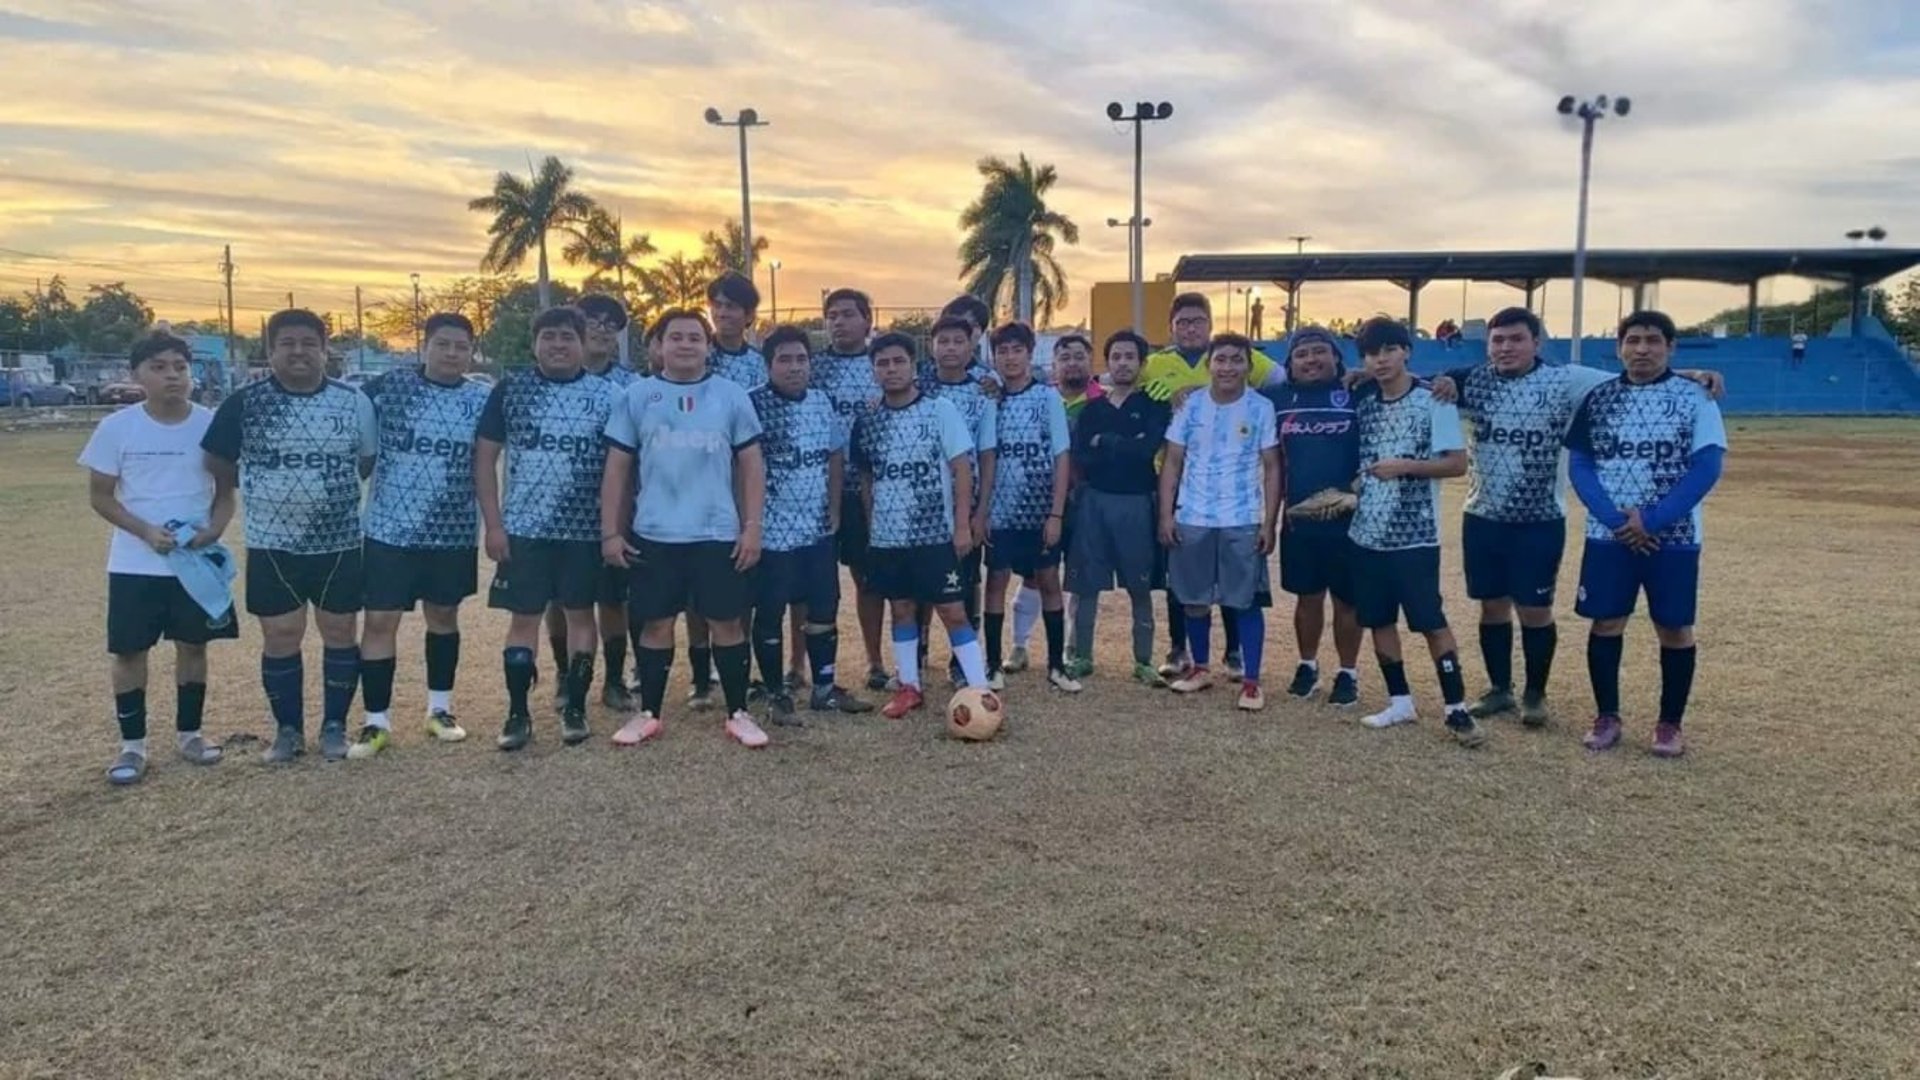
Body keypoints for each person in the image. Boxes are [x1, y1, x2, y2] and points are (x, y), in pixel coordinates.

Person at [1428, 307, 1725, 730]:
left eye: (1516, 339)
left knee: (1535, 610)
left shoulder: (1567, 379)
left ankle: (1534, 694)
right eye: (1498, 340)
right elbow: (1413, 382)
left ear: (1537, 343)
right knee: (1491, 606)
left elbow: (1634, 380)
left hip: (1540, 517)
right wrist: (1380, 378)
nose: (1506, 347)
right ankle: (1500, 689)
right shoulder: (1472, 380)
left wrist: (1693, 372)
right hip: (1483, 514)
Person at [202, 309, 377, 764]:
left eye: (308, 343)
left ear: (324, 349)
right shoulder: (245, 402)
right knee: (281, 635)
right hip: (271, 542)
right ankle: (288, 731)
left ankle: (335, 727)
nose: (298, 352)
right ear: (271, 349)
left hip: (338, 542)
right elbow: (220, 461)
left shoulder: (353, 401)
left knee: (340, 630)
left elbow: (365, 462)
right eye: (287, 343)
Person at [602, 308, 769, 748]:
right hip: (655, 533)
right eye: (674, 337)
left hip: (717, 533)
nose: (685, 344)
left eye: (694, 337)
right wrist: (610, 532)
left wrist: (752, 527)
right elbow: (618, 469)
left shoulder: (731, 396)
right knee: (655, 624)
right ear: (659, 346)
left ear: (708, 347)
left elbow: (751, 465)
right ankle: (649, 713)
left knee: (726, 623)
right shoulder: (636, 397)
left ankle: (737, 713)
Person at [1565, 310, 1726, 758]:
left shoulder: (1696, 397)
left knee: (1674, 628)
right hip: (1608, 535)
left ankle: (1670, 724)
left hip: (1672, 537)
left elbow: (1707, 466)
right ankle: (1607, 715)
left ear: (1670, 347)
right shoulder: (1599, 398)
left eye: (1653, 341)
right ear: (1619, 346)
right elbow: (1580, 465)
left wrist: (1652, 519)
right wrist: (1618, 522)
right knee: (1606, 621)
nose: (1642, 349)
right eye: (1632, 340)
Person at [81, 331, 236, 784]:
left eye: (180, 367)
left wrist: (213, 531)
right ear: (137, 375)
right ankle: (132, 747)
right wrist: (146, 532)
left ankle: (190, 734)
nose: (172, 375)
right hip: (135, 564)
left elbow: (225, 494)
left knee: (193, 646)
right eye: (159, 367)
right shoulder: (116, 428)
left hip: (194, 566)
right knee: (130, 652)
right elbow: (101, 498)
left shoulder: (212, 424)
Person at [474, 305, 618, 751]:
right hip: (524, 530)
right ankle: (518, 713)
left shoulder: (607, 395)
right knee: (524, 619)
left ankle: (575, 706)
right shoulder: (510, 391)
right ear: (535, 343)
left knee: (580, 614)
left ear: (582, 343)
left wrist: (614, 528)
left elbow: (621, 467)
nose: (558, 345)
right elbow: (484, 458)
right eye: (549, 337)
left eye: (567, 337)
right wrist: (494, 525)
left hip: (585, 532)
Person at [350, 312, 492, 757]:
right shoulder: (387, 388)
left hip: (451, 532)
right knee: (378, 622)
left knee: (444, 618)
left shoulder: (482, 398)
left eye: (461, 346)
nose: (452, 353)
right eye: (443, 344)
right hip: (389, 530)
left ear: (471, 351)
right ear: (425, 346)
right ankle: (375, 721)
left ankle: (440, 709)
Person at [1345, 318, 1482, 747]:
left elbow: (1457, 463)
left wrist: (1403, 466)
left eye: (1388, 350)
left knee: (1429, 622)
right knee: (1379, 620)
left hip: (1415, 535)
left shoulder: (1433, 400)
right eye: (1370, 353)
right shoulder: (1363, 400)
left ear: (1406, 350)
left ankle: (1456, 709)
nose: (1379, 360)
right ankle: (1399, 701)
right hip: (1366, 534)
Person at [1141, 292, 1286, 682]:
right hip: (1188, 504)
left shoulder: (1255, 394)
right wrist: (1166, 512)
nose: (1190, 327)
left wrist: (1269, 522)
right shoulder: (1159, 369)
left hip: (1239, 511)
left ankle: (1240, 660)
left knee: (1240, 592)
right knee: (1188, 589)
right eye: (1183, 321)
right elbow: (1114, 382)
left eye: (1198, 320)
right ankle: (1185, 655)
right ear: (1172, 326)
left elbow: (1284, 380)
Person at [851, 332, 990, 718]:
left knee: (953, 611)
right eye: (882, 363)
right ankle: (909, 686)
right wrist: (871, 523)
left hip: (934, 535)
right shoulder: (869, 419)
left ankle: (979, 689)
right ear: (874, 370)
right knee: (902, 609)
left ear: (914, 366)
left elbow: (962, 468)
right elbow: (865, 478)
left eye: (898, 362)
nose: (891, 370)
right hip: (888, 537)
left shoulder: (939, 410)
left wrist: (961, 524)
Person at [747, 325, 870, 724]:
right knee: (769, 612)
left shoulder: (821, 402)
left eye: (802, 359)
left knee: (822, 608)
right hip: (771, 533)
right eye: (785, 359)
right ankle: (775, 693)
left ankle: (824, 687)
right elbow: (739, 467)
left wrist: (834, 508)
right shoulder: (752, 405)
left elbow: (835, 455)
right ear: (769, 366)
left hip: (816, 529)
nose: (795, 366)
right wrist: (748, 521)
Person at [1259, 326, 1362, 707]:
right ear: (1290, 364)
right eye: (1302, 355)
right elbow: (1228, 394)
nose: (1311, 360)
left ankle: (1348, 672)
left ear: (1336, 358)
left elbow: (1407, 381)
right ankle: (1307, 665)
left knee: (1348, 601)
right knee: (1308, 597)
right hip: (1299, 520)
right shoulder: (1276, 399)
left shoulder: (1356, 393)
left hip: (1351, 520)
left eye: (1320, 352)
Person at [981, 322, 1076, 692]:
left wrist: (1056, 513)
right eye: (1002, 351)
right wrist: (983, 511)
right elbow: (986, 455)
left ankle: (1056, 665)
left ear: (1029, 352)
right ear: (994, 356)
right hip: (1001, 512)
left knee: (1049, 581)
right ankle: (992, 665)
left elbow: (1061, 457)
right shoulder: (990, 398)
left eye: (1016, 349)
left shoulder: (1047, 398)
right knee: (996, 583)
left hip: (1039, 511)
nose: (1009, 357)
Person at [1068, 330, 1167, 686]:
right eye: (1116, 357)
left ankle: (1143, 660)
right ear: (1106, 363)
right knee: (1087, 585)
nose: (1123, 363)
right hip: (1095, 502)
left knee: (1140, 586)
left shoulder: (1155, 405)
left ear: (1142, 364)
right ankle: (1082, 656)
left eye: (1130, 357)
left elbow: (1147, 450)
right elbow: (1082, 454)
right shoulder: (1093, 408)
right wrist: (1124, 442)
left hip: (1138, 502)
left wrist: (1105, 442)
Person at [558, 292, 641, 713]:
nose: (603, 327)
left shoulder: (632, 386)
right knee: (562, 599)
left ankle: (613, 680)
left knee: (613, 598)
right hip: (556, 512)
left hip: (616, 511)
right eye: (594, 318)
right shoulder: (546, 381)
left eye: (612, 322)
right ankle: (564, 677)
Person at [809, 288, 892, 690]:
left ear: (867, 320)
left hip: (868, 490)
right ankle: (797, 665)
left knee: (867, 578)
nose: (837, 322)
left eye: (846, 314)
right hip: (814, 489)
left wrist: (989, 384)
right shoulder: (814, 367)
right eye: (831, 315)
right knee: (808, 581)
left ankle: (875, 662)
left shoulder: (883, 365)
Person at [919, 314, 999, 687]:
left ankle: (961, 664)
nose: (950, 348)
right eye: (943, 341)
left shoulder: (983, 394)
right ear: (931, 346)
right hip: (920, 508)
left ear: (971, 348)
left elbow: (986, 456)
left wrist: (978, 513)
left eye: (958, 341)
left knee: (965, 587)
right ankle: (916, 654)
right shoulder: (916, 388)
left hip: (963, 509)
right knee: (918, 588)